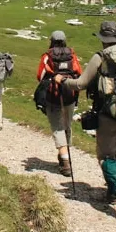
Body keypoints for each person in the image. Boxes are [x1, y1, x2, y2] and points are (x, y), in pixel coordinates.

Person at [53, 21, 116, 219]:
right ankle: (113, 193)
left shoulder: (100, 57)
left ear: (103, 40)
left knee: (105, 156)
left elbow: (81, 83)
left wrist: (63, 81)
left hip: (108, 113)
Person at [36, 30, 83, 177]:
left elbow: (40, 76)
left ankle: (65, 161)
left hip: (53, 96)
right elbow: (79, 73)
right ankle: (65, 155)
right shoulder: (72, 54)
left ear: (52, 40)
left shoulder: (47, 56)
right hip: (70, 95)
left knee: (57, 127)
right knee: (67, 125)